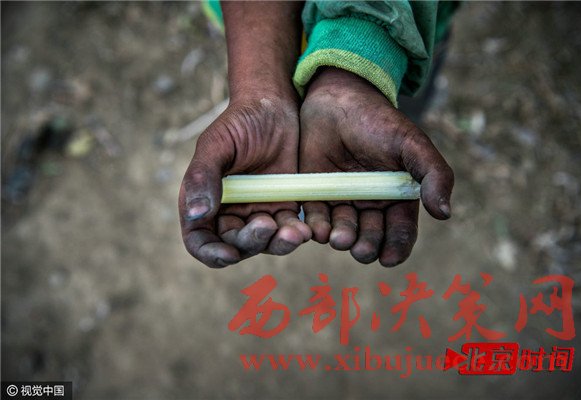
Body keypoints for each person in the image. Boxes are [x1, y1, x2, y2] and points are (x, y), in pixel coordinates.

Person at [179, 1, 456, 268]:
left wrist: (360, 61)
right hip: (253, 23)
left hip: (402, 34)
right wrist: (260, 86)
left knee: (391, 113)